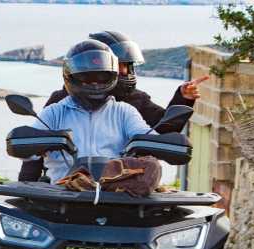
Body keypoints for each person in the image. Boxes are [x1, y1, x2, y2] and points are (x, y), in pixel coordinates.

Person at [18, 39, 155, 183]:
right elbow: (26, 154)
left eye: (102, 76)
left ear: (112, 75)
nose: (95, 83)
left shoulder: (125, 112)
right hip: (61, 195)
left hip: (113, 194)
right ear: (71, 76)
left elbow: (145, 134)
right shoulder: (54, 112)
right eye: (87, 77)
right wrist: (32, 143)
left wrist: (161, 143)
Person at [44, 31, 208, 132]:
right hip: (64, 179)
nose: (126, 72)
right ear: (100, 63)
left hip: (123, 179)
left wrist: (183, 98)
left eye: (129, 66)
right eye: (122, 65)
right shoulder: (61, 103)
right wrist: (27, 185)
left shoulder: (134, 102)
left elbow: (164, 130)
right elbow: (34, 148)